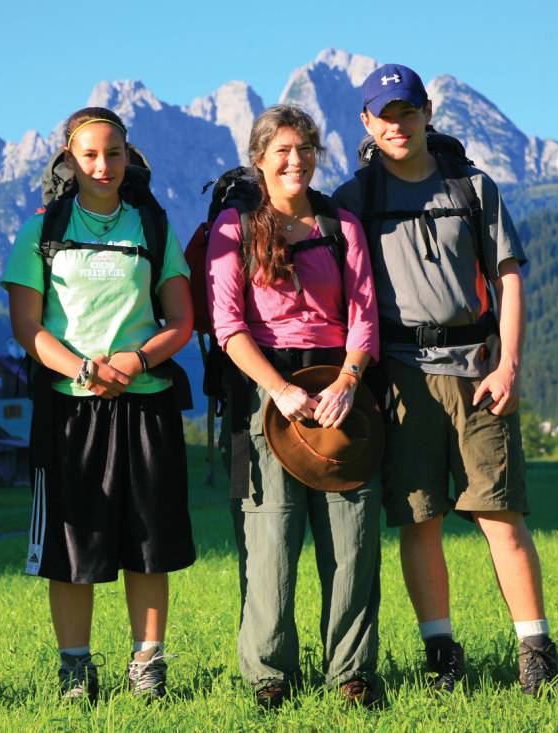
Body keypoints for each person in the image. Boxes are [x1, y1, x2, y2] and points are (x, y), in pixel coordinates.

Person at [332, 63, 558, 695]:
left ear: (427, 113)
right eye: (384, 114)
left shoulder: (474, 187)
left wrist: (510, 362)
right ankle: (441, 653)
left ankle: (535, 650)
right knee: (418, 517)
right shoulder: (356, 200)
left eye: (407, 111)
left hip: (480, 371)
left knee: (501, 514)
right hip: (400, 376)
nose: (397, 124)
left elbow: (509, 276)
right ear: (367, 123)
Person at [3, 107, 195, 702]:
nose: (102, 165)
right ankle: (75, 671)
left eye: (113, 153)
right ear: (68, 157)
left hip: (145, 404)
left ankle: (147, 667)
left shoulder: (151, 225)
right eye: (89, 154)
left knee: (148, 544)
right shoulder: (42, 230)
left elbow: (183, 320)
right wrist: (86, 368)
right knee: (71, 547)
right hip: (69, 407)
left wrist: (134, 362)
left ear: (128, 155)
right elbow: (27, 328)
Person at [207, 104, 382, 709]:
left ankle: (352, 674)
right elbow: (227, 325)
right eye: (281, 150)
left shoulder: (341, 225)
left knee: (353, 541)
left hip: (341, 389)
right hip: (266, 393)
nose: (295, 160)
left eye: (305, 148)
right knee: (271, 542)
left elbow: (365, 319)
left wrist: (349, 383)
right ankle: (268, 676)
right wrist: (279, 390)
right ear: (259, 159)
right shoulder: (235, 227)